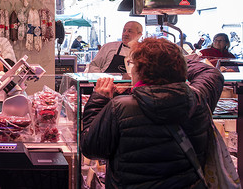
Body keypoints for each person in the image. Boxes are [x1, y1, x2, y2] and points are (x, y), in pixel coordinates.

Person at [81, 38, 224, 188]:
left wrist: (99, 99)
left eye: (132, 64)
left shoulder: (120, 107)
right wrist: (170, 60)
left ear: (140, 69)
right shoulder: (199, 98)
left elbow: (91, 148)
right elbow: (212, 73)